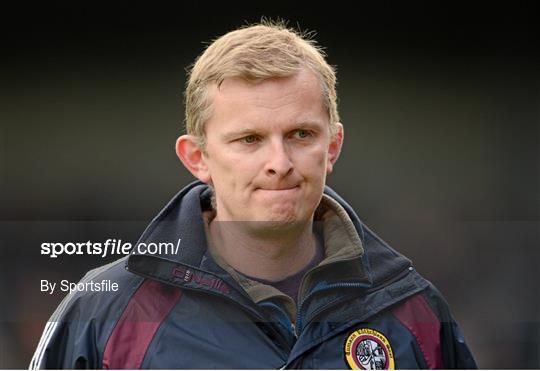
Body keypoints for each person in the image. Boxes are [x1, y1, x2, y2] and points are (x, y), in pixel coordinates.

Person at [30, 20, 477, 369]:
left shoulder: (414, 312)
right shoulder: (103, 311)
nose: (279, 162)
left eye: (301, 134)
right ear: (197, 158)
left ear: (333, 146)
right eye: (249, 139)